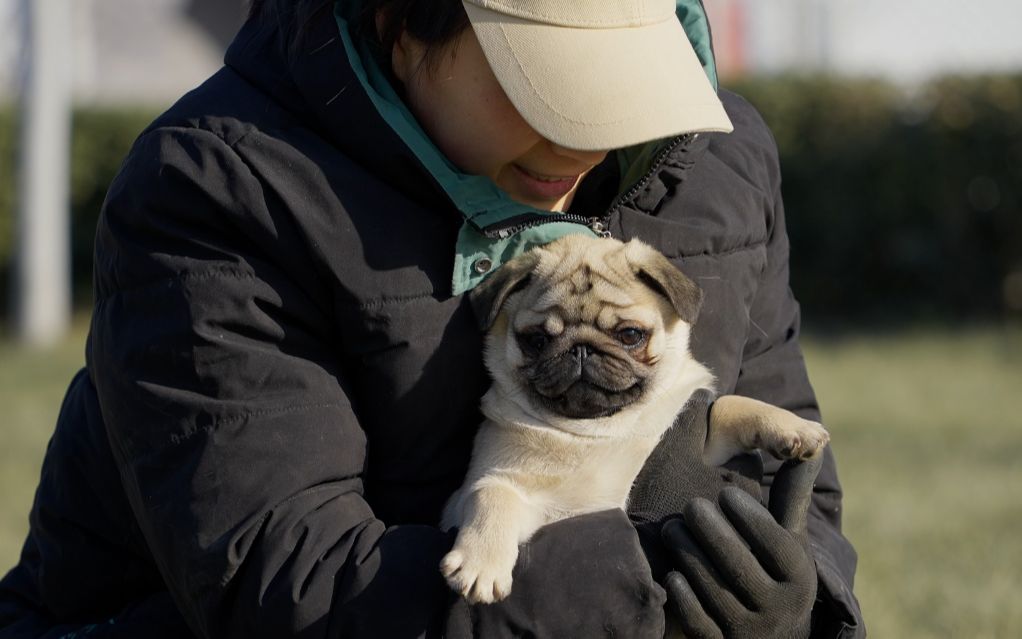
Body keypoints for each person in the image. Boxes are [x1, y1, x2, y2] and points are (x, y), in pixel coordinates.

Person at [0, 0, 865, 637]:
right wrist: (633, 587)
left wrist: (797, 594)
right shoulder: (220, 190)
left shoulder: (719, 163)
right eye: (548, 90)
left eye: (624, 88)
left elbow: (797, 466)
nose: (586, 142)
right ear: (402, 24)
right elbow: (278, 579)